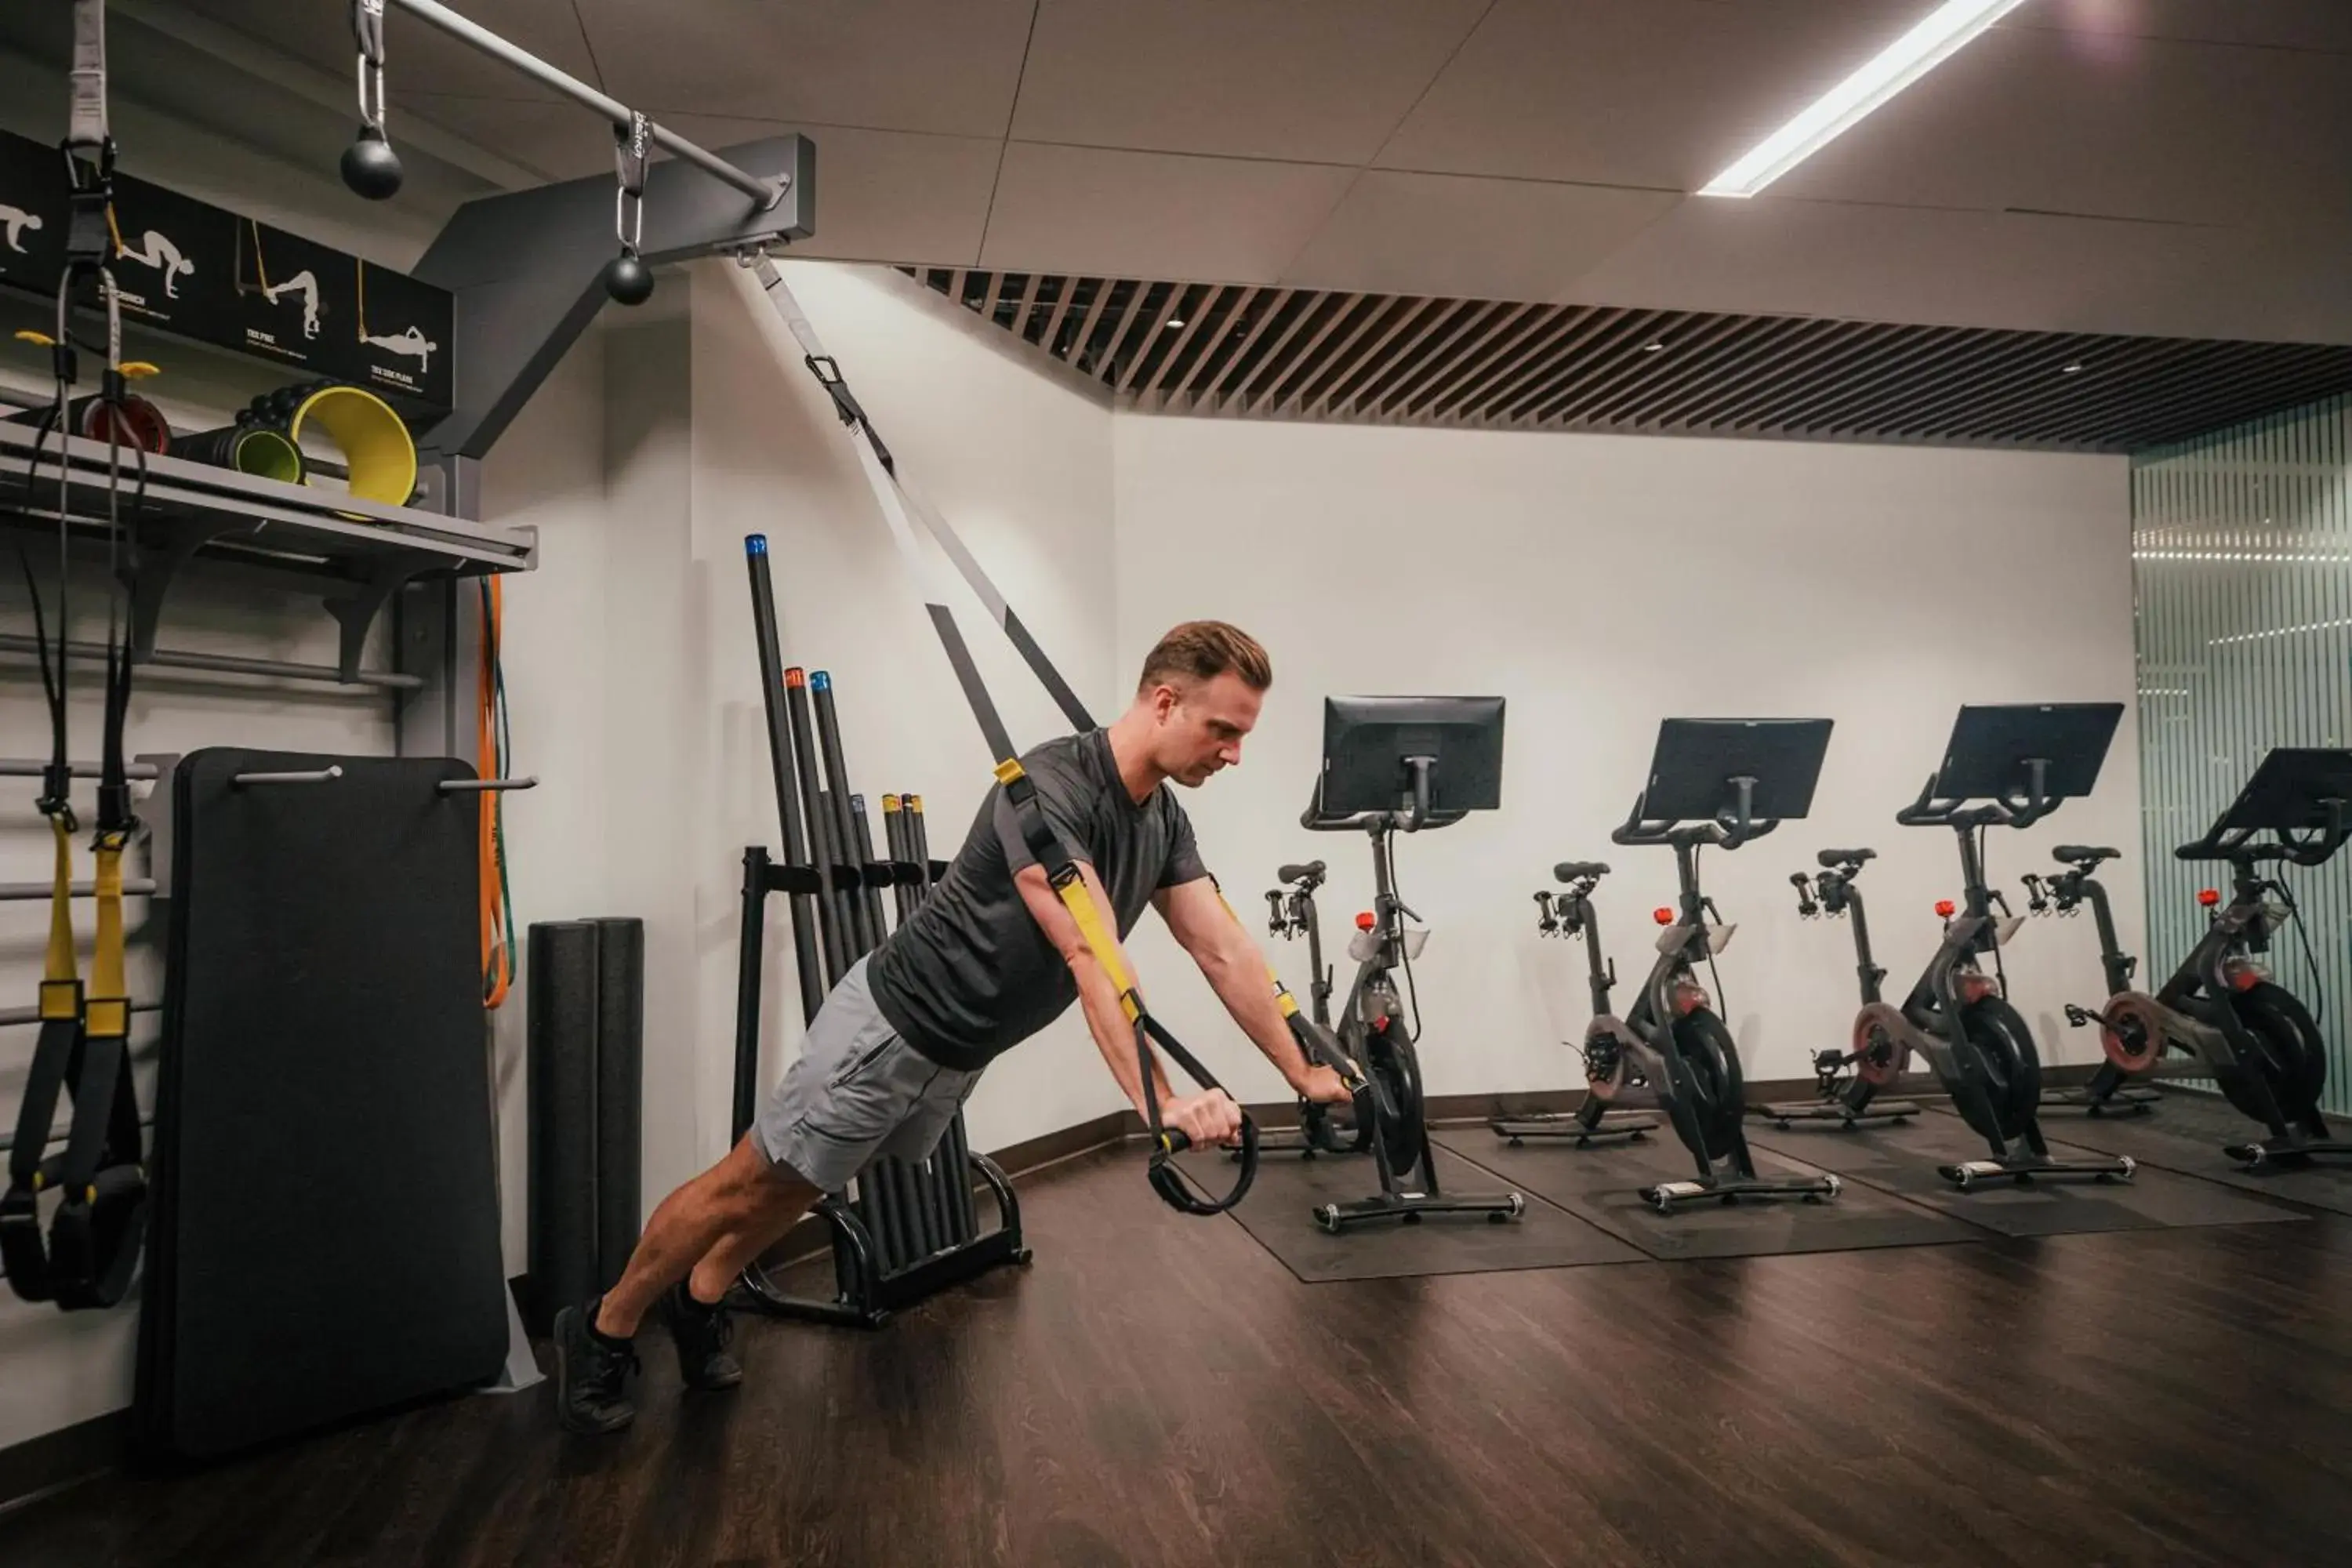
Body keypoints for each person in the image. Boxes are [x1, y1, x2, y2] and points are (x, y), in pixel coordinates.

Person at [556, 621, 1353, 1432]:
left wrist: (1306, 1071)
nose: (1233, 753)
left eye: (1242, 735)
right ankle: (605, 1325)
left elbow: (1221, 947)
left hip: (954, 1052)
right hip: (889, 1031)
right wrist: (1163, 1101)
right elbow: (1091, 952)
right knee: (751, 1178)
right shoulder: (1046, 791)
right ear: (1163, 700)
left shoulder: (1161, 820)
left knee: (803, 1179)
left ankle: (702, 1295)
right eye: (1223, 729)